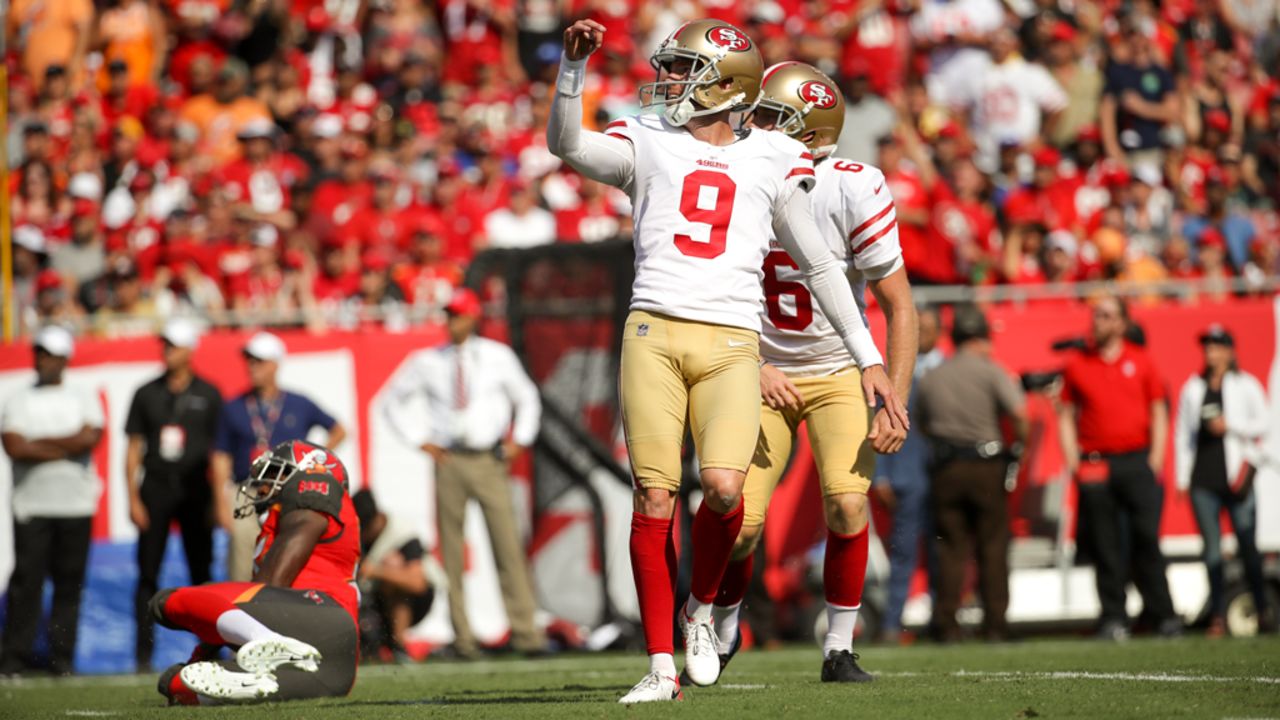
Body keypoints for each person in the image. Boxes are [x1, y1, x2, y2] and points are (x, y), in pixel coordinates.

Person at [548, 19, 905, 702]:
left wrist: (869, 360)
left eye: (685, 69)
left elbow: (822, 266)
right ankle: (660, 668)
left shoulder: (771, 155)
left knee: (723, 490)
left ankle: (701, 612)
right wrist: (572, 72)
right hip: (653, 329)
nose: (670, 80)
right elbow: (567, 144)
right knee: (655, 495)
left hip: (735, 341)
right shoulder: (647, 139)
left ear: (724, 83)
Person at [704, 62, 918, 684]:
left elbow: (899, 303)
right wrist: (755, 362)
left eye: (770, 116)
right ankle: (722, 627)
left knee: (849, 506)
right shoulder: (734, 173)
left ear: (810, 131)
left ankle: (839, 649)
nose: (753, 124)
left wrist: (894, 395)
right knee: (740, 524)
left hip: (832, 372)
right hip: (756, 369)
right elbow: (709, 290)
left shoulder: (855, 186)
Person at [381, 288, 546, 659]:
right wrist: (419, 440)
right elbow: (391, 402)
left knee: (507, 544)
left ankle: (525, 632)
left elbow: (527, 397)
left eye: (458, 314)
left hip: (489, 459)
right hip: (450, 461)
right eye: (449, 314)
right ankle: (463, 636)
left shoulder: (495, 356)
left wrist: (519, 439)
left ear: (473, 317)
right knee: (451, 551)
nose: (452, 321)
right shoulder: (428, 361)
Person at [151, 441, 360, 705]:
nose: (262, 486)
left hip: (322, 617)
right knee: (179, 683)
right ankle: (264, 666)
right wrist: (200, 656)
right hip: (330, 668)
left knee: (167, 601)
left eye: (274, 474)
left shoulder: (318, 491)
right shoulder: (280, 521)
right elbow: (259, 603)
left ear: (308, 473)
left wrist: (230, 627)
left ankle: (267, 641)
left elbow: (271, 586)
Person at [1058, 294, 1180, 640]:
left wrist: (1155, 458)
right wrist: (1073, 461)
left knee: (1146, 541)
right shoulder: (1078, 364)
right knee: (1105, 544)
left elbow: (1158, 410)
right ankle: (1113, 617)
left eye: (1106, 315)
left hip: (1136, 460)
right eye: (1096, 314)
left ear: (1122, 324)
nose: (1097, 321)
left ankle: (1163, 615)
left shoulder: (1141, 361)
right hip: (1096, 464)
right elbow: (1065, 415)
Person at [916, 305, 1028, 642]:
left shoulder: (933, 377)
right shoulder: (992, 372)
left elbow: (921, 423)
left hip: (946, 468)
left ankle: (946, 625)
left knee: (950, 549)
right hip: (986, 466)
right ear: (981, 338)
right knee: (992, 547)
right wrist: (1019, 444)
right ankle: (995, 625)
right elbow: (1021, 414)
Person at [0, 326, 104, 676]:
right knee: (26, 582)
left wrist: (37, 443)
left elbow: (90, 439)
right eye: (39, 353)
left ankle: (62, 659)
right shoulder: (19, 396)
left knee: (68, 583)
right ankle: (16, 658)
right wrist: (65, 444)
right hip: (32, 506)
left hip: (75, 505)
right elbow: (15, 447)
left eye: (49, 354)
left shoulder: (82, 394)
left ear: (64, 359)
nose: (41, 360)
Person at [125, 319, 224, 671]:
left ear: (190, 350)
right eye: (165, 344)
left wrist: (217, 501)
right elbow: (134, 447)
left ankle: (211, 652)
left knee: (203, 574)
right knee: (147, 572)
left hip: (196, 490)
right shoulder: (147, 392)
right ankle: (142, 656)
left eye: (174, 345)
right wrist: (133, 499)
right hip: (155, 488)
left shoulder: (209, 394)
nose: (167, 350)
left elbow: (219, 453)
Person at [212, 332, 347, 582]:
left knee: (289, 545)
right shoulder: (234, 407)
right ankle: (243, 601)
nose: (252, 367)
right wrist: (220, 501)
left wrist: (313, 462)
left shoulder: (298, 403)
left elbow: (339, 430)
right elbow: (220, 457)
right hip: (249, 489)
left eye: (259, 361)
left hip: (289, 487)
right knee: (242, 544)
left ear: (275, 364)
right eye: (249, 361)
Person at [1174, 325, 1276, 636]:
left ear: (1230, 351)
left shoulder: (1245, 385)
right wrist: (1182, 476)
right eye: (1207, 346)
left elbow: (1266, 422)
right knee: (1213, 551)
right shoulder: (1193, 387)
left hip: (1236, 479)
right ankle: (1217, 613)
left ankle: (1262, 609)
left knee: (1248, 546)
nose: (1211, 352)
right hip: (1204, 479)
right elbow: (1184, 434)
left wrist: (1230, 426)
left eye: (1217, 346)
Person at [874, 305, 945, 644]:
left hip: (943, 479)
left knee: (942, 552)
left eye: (929, 327)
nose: (923, 334)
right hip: (905, 479)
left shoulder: (947, 372)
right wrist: (882, 477)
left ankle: (941, 621)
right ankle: (892, 622)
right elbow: (879, 423)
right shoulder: (896, 376)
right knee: (902, 555)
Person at [352, 490, 444, 661]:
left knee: (393, 566)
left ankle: (398, 646)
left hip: (414, 603)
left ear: (377, 518)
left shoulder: (402, 532)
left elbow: (417, 583)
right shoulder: (356, 535)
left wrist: (376, 571)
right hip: (369, 604)